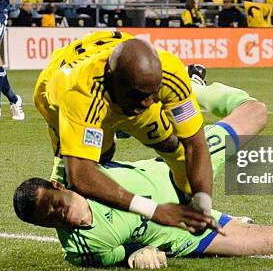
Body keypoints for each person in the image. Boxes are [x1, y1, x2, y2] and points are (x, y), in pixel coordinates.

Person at [15, 80, 273, 268]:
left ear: (58, 185)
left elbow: (66, 121)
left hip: (179, 170)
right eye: (49, 221)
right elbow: (119, 255)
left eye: (55, 205)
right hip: (189, 233)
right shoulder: (82, 250)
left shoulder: (72, 169)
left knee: (255, 112)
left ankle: (193, 89)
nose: (59, 217)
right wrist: (135, 254)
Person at [32, 31, 219, 233]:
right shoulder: (79, 93)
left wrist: (202, 204)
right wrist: (153, 210)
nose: (148, 103)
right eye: (140, 95)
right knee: (97, 160)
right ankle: (111, 133)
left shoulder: (168, 73)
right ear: (112, 80)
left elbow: (196, 143)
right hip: (62, 96)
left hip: (120, 90)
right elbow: (82, 175)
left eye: (153, 94)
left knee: (172, 146)